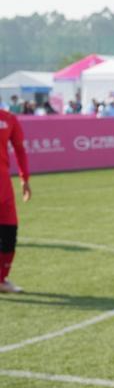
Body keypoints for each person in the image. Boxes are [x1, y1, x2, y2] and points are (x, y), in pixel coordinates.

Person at [0, 108, 31, 293]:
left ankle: (1, 280)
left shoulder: (8, 118)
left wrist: (24, 179)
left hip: (4, 186)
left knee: (9, 234)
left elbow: (20, 149)